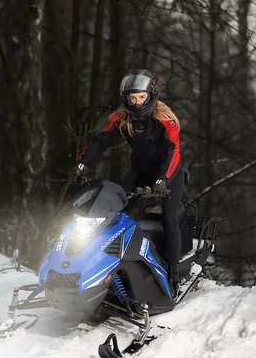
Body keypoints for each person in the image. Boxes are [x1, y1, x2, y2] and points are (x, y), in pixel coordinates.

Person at [69, 69, 183, 294]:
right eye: (132, 97)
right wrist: (82, 163)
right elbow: (100, 141)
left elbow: (174, 151)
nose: (137, 102)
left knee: (169, 218)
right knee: (113, 207)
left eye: (142, 97)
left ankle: (174, 273)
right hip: (140, 171)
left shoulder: (164, 119)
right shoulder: (121, 117)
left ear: (151, 95)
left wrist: (163, 179)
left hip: (169, 173)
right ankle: (102, 263)